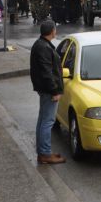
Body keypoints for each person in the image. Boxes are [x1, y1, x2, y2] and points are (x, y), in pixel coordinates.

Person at [30, 20, 65, 165]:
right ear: (52, 31)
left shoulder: (42, 44)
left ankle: (43, 151)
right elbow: (47, 72)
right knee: (47, 121)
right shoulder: (43, 47)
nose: (56, 32)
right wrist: (55, 90)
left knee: (43, 120)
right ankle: (45, 153)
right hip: (48, 90)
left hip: (44, 89)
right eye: (55, 29)